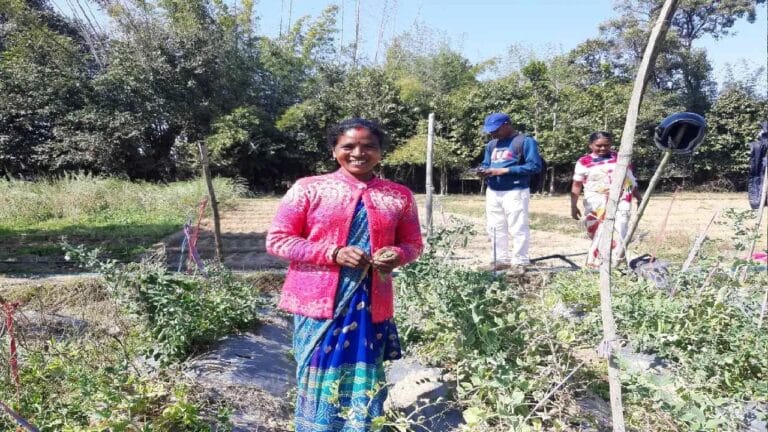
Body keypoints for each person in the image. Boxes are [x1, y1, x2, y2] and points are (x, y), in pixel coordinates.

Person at [266, 118, 423, 432]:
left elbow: (413, 243)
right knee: (317, 371)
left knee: (365, 376)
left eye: (369, 147)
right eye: (348, 146)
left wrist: (398, 255)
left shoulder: (398, 195)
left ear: (380, 152)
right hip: (318, 304)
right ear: (333, 150)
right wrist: (332, 253)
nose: (358, 153)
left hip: (371, 302)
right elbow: (278, 240)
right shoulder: (309, 188)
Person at [478, 112, 543, 270]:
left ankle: (520, 260)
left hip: (515, 190)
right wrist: (483, 170)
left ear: (507, 125)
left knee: (518, 226)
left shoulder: (525, 142)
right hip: (493, 190)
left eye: (496, 129)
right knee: (495, 226)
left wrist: (505, 171)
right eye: (490, 130)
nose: (492, 133)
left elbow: (535, 166)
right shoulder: (491, 145)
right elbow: (487, 163)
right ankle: (499, 259)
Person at [570, 131, 642, 267]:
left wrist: (638, 197)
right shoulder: (583, 162)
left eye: (606, 145)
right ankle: (597, 262)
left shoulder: (621, 158)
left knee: (620, 228)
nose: (603, 148)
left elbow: (630, 180)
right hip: (595, 200)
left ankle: (617, 262)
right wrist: (573, 206)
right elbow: (577, 184)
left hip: (622, 197)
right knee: (598, 230)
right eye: (599, 145)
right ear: (590, 145)